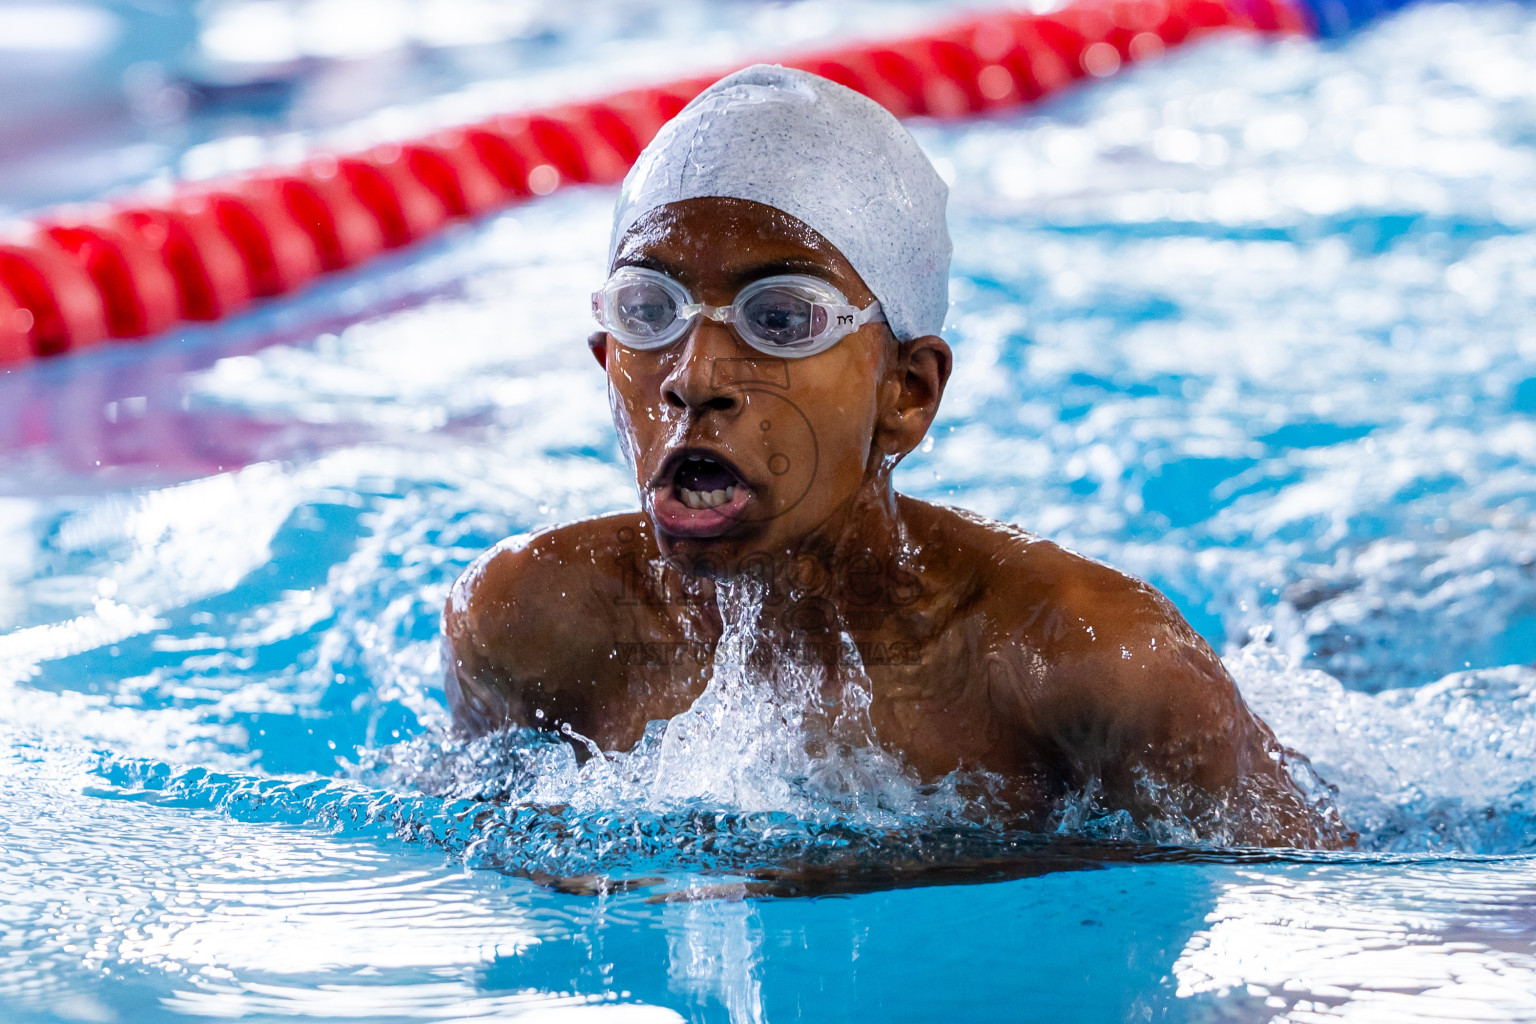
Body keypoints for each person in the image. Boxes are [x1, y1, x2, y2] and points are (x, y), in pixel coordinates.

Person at [443, 64, 1349, 849]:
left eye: (781, 320)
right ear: (608, 360)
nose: (695, 376)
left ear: (906, 392)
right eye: (650, 312)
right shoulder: (528, 625)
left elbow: (1314, 917)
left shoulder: (1092, 665)